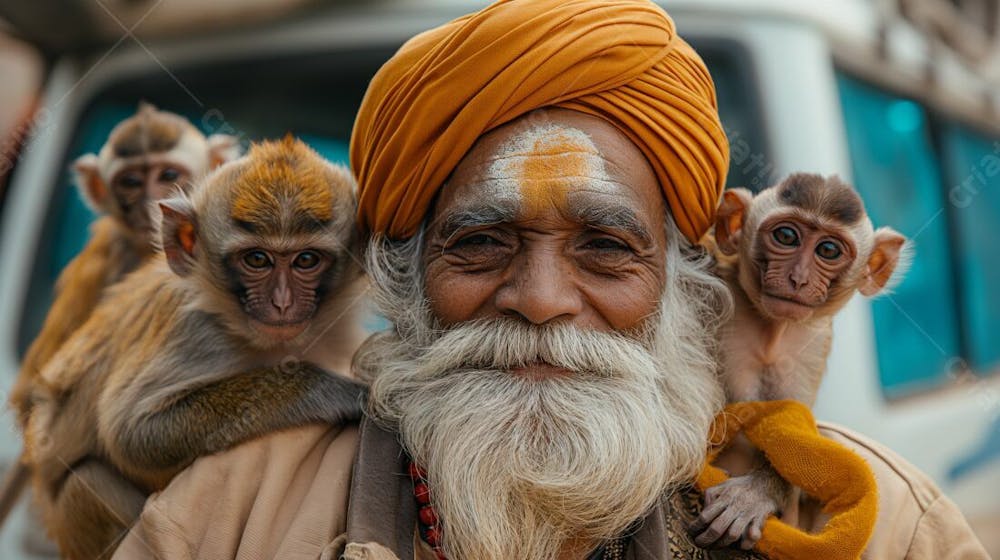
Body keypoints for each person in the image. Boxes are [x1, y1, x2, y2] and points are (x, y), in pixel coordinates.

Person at [112, 1, 988, 558]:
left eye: (606, 249)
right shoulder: (230, 516)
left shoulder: (882, 529)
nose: (539, 300)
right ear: (408, 278)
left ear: (685, 280)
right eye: (481, 245)